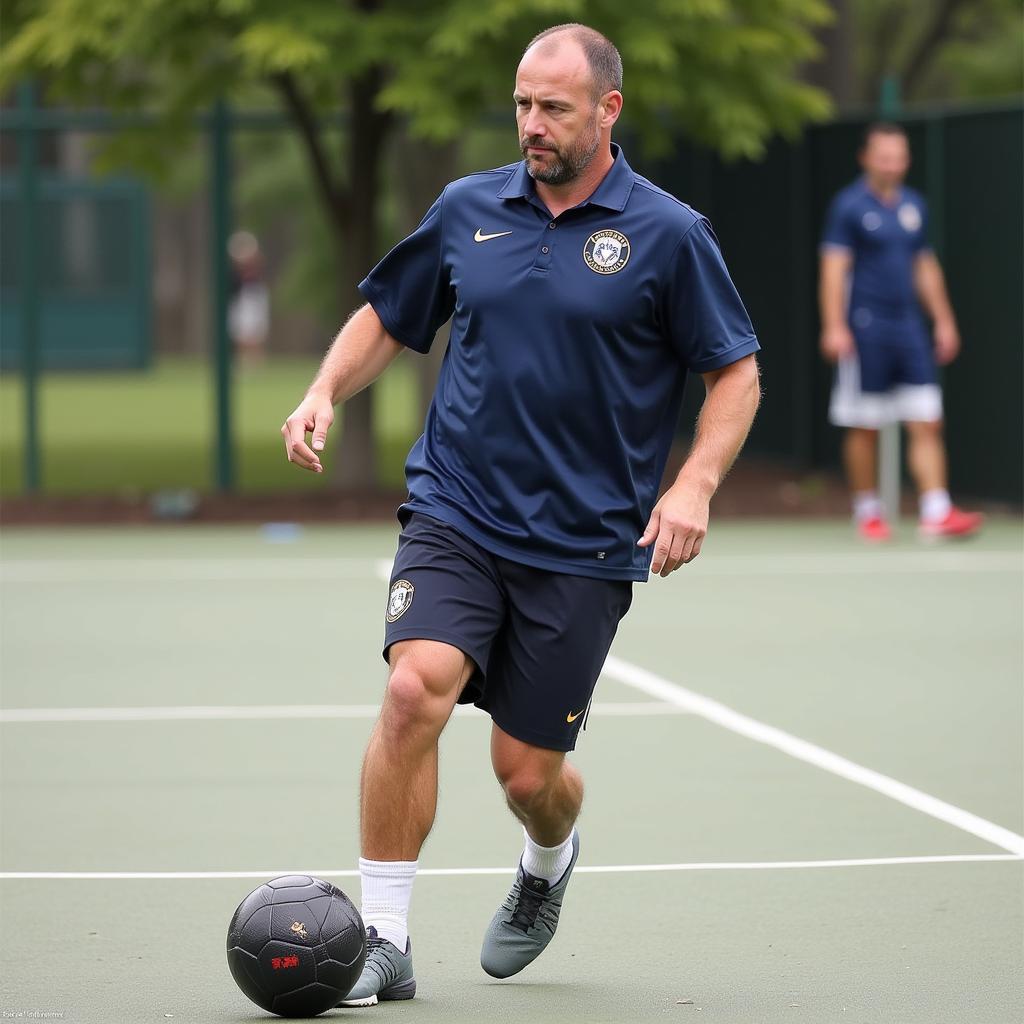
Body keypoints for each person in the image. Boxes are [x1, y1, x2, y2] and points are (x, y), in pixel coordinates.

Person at [281, 23, 760, 1005]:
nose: (532, 125)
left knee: (525, 773)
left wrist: (695, 484)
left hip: (584, 544)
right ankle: (384, 940)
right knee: (416, 689)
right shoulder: (469, 207)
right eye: (521, 105)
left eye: (554, 108)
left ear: (608, 110)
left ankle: (549, 858)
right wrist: (328, 388)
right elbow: (389, 315)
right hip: (456, 506)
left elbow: (735, 373)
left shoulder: (669, 234)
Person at [819, 122, 982, 541]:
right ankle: (868, 510)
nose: (892, 165)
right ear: (866, 159)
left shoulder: (914, 206)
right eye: (884, 157)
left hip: (908, 329)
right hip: (864, 330)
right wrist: (835, 326)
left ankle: (935, 510)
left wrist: (944, 319)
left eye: (899, 157)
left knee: (927, 419)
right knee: (865, 426)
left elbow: (924, 266)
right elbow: (834, 268)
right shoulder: (848, 206)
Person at [228, 230, 270, 367]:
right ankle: (244, 360)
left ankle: (254, 361)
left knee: (254, 330)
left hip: (253, 296)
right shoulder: (235, 272)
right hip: (242, 297)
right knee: (241, 331)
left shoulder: (256, 267)